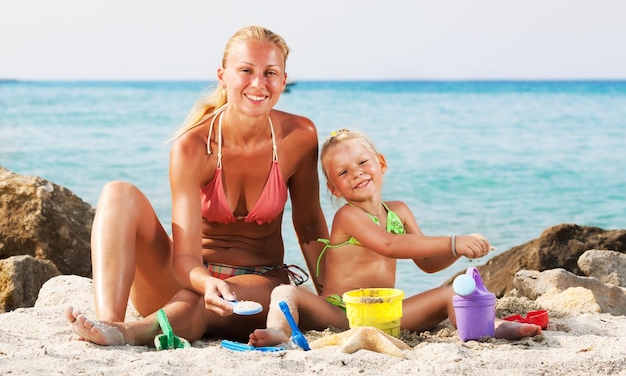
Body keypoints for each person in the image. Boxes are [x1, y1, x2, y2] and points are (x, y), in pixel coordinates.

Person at [64, 25, 329, 346]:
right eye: (246, 70)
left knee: (195, 304)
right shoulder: (194, 146)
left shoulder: (299, 136)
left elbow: (310, 224)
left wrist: (332, 297)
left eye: (270, 73)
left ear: (283, 80)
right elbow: (185, 255)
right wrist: (204, 282)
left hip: (257, 287)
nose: (258, 83)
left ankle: (130, 333)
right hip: (185, 277)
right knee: (118, 193)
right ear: (223, 75)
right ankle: (110, 323)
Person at [249, 129, 542, 347]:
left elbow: (427, 262)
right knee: (283, 292)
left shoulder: (399, 211)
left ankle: (491, 326)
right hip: (340, 313)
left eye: (363, 162)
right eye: (344, 172)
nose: (357, 173)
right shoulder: (348, 217)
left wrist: (459, 252)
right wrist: (453, 241)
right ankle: (279, 332)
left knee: (452, 292)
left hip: (386, 314)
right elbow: (390, 245)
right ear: (334, 189)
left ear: (381, 163)